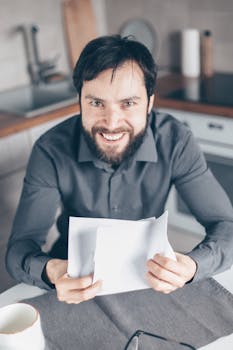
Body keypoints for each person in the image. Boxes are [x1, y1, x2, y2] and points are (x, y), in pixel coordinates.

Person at [6, 35, 233, 304]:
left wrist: (193, 266)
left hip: (147, 272)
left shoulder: (176, 140)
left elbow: (226, 226)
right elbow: (19, 250)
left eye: (128, 103)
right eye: (96, 103)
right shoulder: (50, 149)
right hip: (71, 276)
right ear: (79, 99)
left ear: (149, 103)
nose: (111, 123)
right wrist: (51, 271)